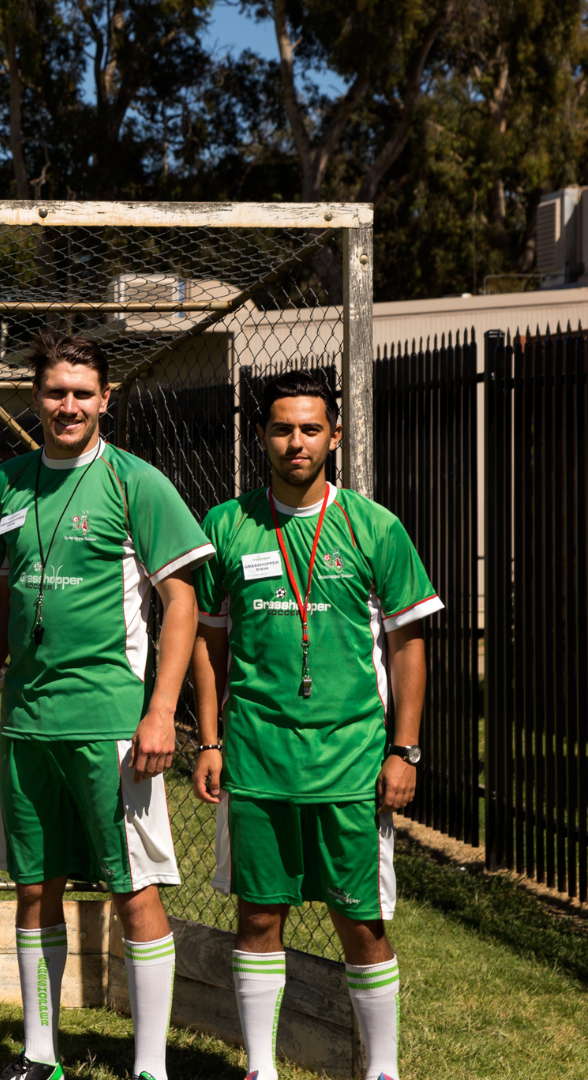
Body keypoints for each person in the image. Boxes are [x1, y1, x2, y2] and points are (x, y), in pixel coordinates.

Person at [0, 333, 214, 1080]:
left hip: (111, 726)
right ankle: (40, 1053)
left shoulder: (137, 483)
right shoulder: (5, 485)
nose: (67, 405)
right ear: (34, 398)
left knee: (134, 890)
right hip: (27, 724)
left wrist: (161, 712)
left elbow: (181, 603)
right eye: (54, 392)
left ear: (105, 398)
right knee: (34, 888)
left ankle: (150, 1066)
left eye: (81, 393)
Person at [190, 370, 438, 1080]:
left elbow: (408, 644)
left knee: (361, 921)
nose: (295, 442)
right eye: (281, 428)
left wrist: (405, 751)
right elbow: (207, 640)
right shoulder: (226, 524)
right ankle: (260, 1068)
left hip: (351, 763)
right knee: (258, 916)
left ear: (334, 435)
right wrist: (209, 740)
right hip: (256, 759)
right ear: (260, 436)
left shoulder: (373, 526)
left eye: (309, 428)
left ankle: (382, 1070)